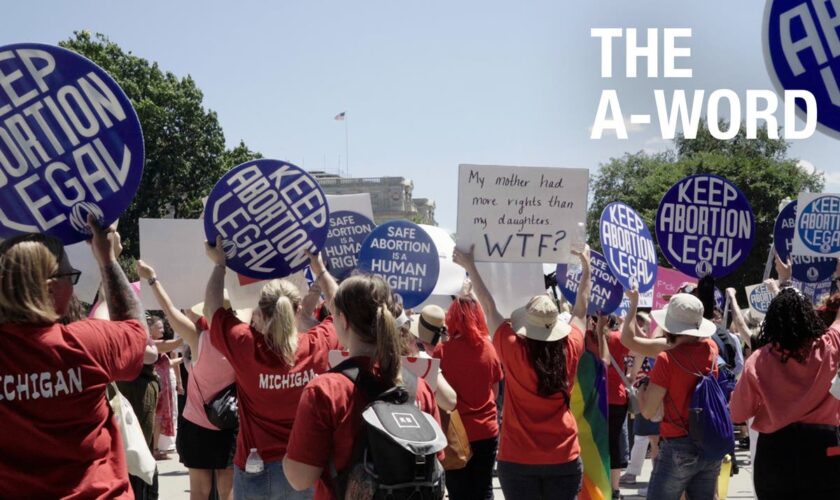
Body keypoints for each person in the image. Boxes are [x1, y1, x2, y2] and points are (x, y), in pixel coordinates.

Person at [0, 218, 149, 498]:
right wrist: (106, 259)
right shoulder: (85, 343)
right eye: (71, 277)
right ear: (49, 287)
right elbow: (136, 330)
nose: (73, 286)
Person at [203, 242, 343, 499]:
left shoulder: (245, 345)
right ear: (298, 311)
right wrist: (319, 268)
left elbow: (211, 311)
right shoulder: (315, 345)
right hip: (305, 467)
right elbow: (343, 312)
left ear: (260, 311)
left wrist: (220, 264)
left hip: (255, 467)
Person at [283, 274, 442, 499]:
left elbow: (299, 478)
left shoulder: (325, 390)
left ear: (344, 321)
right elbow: (435, 461)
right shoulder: (420, 389)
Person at [451, 244, 590, 500]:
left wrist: (470, 266)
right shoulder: (571, 347)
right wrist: (586, 267)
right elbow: (581, 310)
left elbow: (489, 307)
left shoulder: (511, 347)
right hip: (564, 456)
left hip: (517, 458)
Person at [136, 259, 236, 500]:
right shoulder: (240, 341)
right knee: (228, 492)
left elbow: (169, 311)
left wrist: (153, 279)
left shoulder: (197, 338)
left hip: (197, 424)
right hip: (231, 421)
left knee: (199, 492)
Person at [730, 282, 840, 498]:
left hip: (776, 453)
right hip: (825, 449)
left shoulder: (759, 360)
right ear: (811, 315)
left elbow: (737, 413)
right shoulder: (831, 346)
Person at [620, 287, 722, 500]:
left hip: (678, 443)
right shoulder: (712, 348)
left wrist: (641, 393)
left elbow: (648, 411)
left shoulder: (668, 359)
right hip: (708, 441)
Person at [436, 292, 503, 500]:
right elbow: (495, 392)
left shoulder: (442, 351)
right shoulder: (490, 349)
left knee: (458, 492)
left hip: (455, 434)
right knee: (484, 490)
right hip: (487, 430)